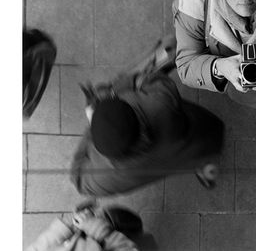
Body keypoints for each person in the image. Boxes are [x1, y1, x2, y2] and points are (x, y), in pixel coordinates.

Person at [70, 56, 224, 197]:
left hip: (169, 163)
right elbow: (152, 79)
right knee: (206, 147)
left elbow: (77, 178)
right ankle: (204, 167)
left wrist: (92, 129)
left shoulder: (103, 178)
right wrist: (115, 89)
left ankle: (202, 167)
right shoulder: (160, 102)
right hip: (201, 138)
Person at [25, 201, 140, 251]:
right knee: (121, 219)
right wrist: (96, 227)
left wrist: (72, 221)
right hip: (106, 239)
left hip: (85, 233)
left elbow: (43, 244)